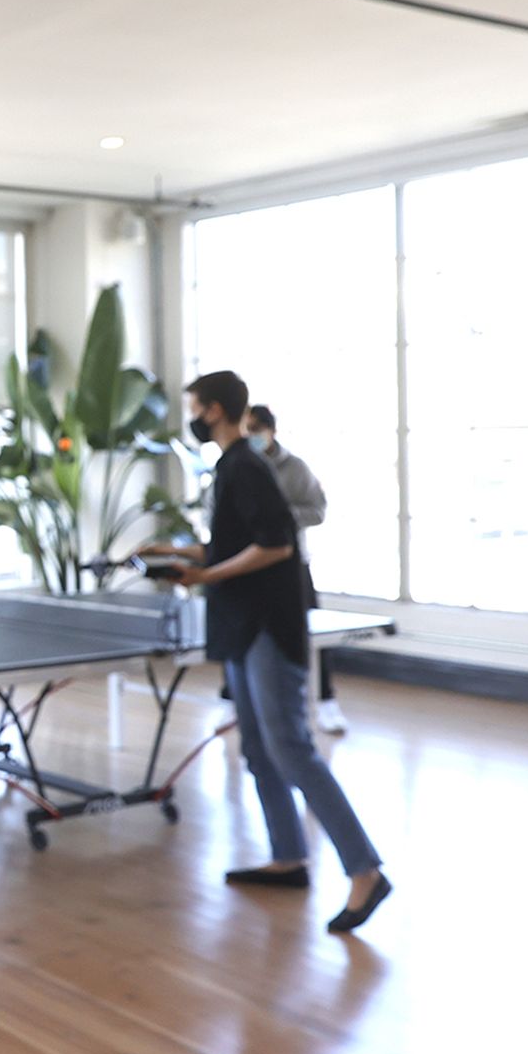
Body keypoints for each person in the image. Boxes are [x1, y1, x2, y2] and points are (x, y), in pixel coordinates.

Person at [150, 371, 391, 934]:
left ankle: (365, 869)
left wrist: (205, 571)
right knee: (257, 749)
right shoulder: (230, 468)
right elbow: (236, 544)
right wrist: (178, 551)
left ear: (212, 410)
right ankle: (288, 857)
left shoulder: (247, 467)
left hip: (267, 625)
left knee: (290, 748)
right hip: (240, 623)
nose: (192, 417)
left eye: (194, 408)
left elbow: (275, 546)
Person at [245, 404, 348, 734]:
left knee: (309, 632)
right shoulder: (235, 464)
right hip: (247, 564)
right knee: (243, 635)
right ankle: (231, 700)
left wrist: (279, 515)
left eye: (256, 430)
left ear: (270, 431)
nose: (251, 437)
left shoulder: (294, 468)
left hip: (291, 564)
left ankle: (326, 701)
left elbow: (317, 510)